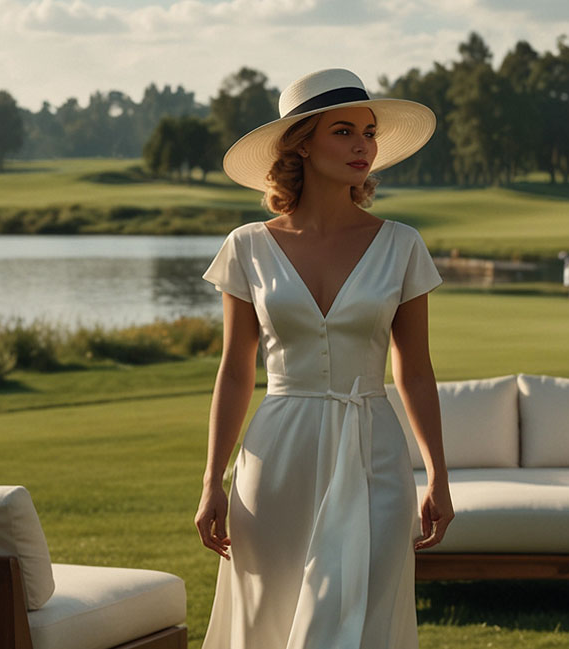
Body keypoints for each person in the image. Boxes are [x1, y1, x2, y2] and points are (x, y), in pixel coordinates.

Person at [196, 68, 452, 649]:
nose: (364, 145)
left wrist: (437, 471)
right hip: (277, 453)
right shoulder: (248, 246)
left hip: (373, 452)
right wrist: (213, 479)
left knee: (365, 610)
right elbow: (237, 370)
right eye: (344, 131)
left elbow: (413, 369)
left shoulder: (402, 244)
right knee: (271, 613)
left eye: (369, 132)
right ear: (302, 143)